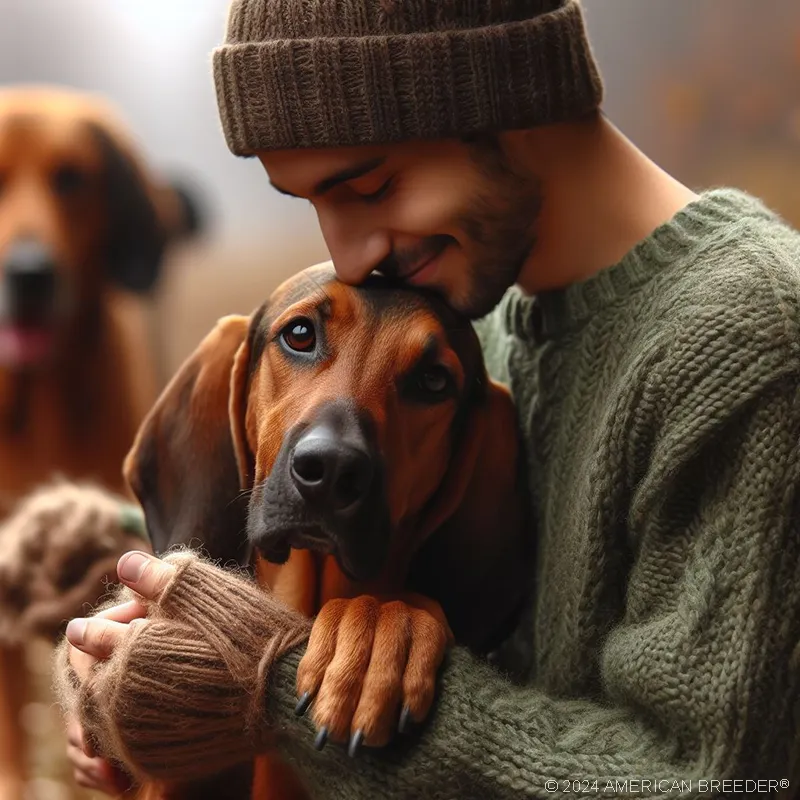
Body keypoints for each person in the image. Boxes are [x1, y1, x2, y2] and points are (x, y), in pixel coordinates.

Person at [63, 0, 800, 796]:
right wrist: (160, 663)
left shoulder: (748, 337)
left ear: (502, 100)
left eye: (371, 185)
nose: (347, 254)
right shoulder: (493, 326)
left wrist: (271, 687)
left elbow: (718, 779)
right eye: (311, 203)